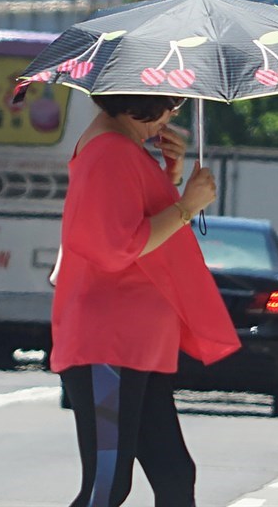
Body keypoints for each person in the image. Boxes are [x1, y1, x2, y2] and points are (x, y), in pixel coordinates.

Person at [50, 93, 241, 507]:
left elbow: (138, 221)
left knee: (174, 474)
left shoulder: (122, 149)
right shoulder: (110, 151)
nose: (173, 115)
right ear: (145, 101)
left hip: (136, 346)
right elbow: (118, 246)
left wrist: (169, 177)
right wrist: (188, 206)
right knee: (108, 485)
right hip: (111, 344)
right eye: (172, 104)